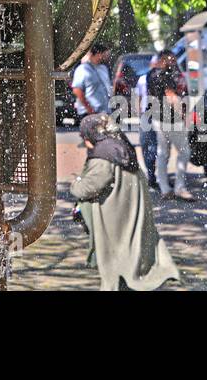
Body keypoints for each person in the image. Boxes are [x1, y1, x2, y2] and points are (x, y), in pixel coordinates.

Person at [69, 113, 180, 291]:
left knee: (117, 254)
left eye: (84, 138)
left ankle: (124, 282)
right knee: (132, 248)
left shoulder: (103, 155)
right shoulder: (121, 146)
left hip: (115, 215)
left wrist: (75, 184)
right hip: (130, 210)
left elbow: (89, 187)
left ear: (90, 135)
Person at [148, 49, 193, 200]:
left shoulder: (151, 74)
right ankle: (179, 187)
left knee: (162, 153)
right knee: (184, 152)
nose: (173, 62)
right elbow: (171, 97)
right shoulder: (165, 75)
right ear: (163, 59)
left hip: (157, 118)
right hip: (171, 120)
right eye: (171, 59)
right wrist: (184, 115)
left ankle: (164, 188)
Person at [133, 58, 159, 189]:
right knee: (144, 144)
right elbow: (139, 97)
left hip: (157, 115)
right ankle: (150, 172)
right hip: (145, 115)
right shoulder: (143, 79)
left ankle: (152, 172)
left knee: (154, 146)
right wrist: (139, 114)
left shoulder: (161, 78)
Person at [71, 43, 112, 120]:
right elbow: (77, 90)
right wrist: (88, 108)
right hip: (88, 113)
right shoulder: (83, 69)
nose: (107, 57)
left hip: (103, 112)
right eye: (105, 54)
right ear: (98, 54)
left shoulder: (103, 68)